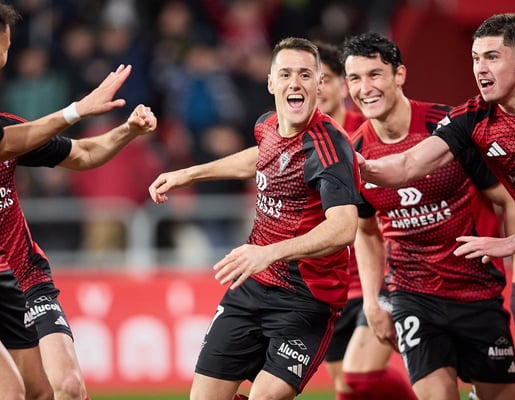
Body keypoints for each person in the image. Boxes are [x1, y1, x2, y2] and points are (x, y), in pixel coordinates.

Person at [358, 13, 515, 398]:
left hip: (488, 284)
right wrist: (360, 166)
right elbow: (408, 164)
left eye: (491, 57)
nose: (480, 68)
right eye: (475, 58)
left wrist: (514, 245)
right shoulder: (472, 117)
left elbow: (509, 209)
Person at [148, 37, 361, 400]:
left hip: (305, 298)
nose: (295, 83)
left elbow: (344, 227)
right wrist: (189, 174)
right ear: (271, 82)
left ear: (320, 84)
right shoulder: (267, 125)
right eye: (286, 74)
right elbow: (261, 157)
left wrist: (269, 252)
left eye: (305, 75)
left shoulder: (329, 146)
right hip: (251, 287)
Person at [0, 3, 138, 400]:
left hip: (22, 276)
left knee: (64, 389)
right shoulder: (9, 136)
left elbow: (83, 154)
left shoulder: (10, 126)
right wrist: (77, 110)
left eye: (4, 51)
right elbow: (5, 144)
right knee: (10, 392)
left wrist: (128, 130)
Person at [314, 40, 415, 400]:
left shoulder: (367, 129)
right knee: (347, 387)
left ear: (343, 86)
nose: (318, 89)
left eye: (325, 79)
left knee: (360, 379)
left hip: (375, 277)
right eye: (311, 80)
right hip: (330, 284)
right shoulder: (301, 140)